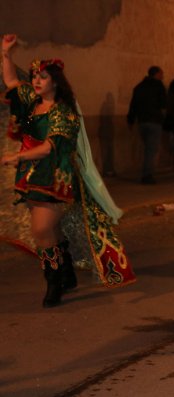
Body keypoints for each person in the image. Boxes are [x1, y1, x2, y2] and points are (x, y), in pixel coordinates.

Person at [1, 34, 135, 308]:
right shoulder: (31, 102)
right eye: (35, 76)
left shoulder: (65, 112)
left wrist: (18, 155)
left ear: (55, 82)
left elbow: (50, 147)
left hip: (55, 179)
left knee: (41, 229)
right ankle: (66, 272)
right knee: (50, 231)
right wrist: (5, 54)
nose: (36, 81)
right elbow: (12, 82)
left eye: (43, 77)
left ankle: (54, 282)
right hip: (31, 177)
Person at [127, 65, 167, 184]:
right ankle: (147, 175)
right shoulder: (159, 86)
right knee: (151, 150)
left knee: (147, 149)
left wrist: (130, 120)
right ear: (156, 74)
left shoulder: (139, 87)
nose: (163, 76)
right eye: (161, 74)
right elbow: (163, 105)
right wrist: (163, 118)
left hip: (142, 122)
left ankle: (146, 172)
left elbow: (133, 105)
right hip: (154, 122)